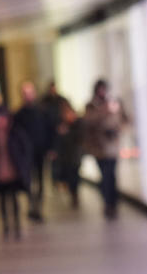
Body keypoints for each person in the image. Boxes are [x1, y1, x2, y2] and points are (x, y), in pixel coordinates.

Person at [0, 95, 31, 240]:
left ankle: (17, 224)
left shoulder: (15, 133)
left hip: (13, 171)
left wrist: (24, 165)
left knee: (14, 198)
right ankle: (6, 225)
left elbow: (25, 149)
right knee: (2, 199)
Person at [83, 78, 128, 219]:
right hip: (99, 148)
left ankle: (112, 203)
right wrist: (105, 111)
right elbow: (88, 121)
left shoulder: (114, 102)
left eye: (104, 89)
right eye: (100, 89)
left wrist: (118, 129)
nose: (102, 92)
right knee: (104, 176)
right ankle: (107, 202)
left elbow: (124, 119)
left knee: (112, 176)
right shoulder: (91, 106)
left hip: (112, 146)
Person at [13, 81, 55, 223]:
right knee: (28, 180)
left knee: (41, 180)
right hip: (25, 154)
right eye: (25, 93)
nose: (28, 96)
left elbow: (50, 131)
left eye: (30, 93)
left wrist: (51, 148)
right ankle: (32, 205)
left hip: (40, 151)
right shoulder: (19, 115)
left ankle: (38, 208)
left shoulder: (42, 112)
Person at [53, 102, 85, 209]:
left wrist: (67, 133)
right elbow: (59, 141)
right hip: (66, 155)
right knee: (70, 175)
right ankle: (73, 193)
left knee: (75, 174)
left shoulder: (77, 123)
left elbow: (80, 137)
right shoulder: (62, 125)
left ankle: (75, 194)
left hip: (75, 154)